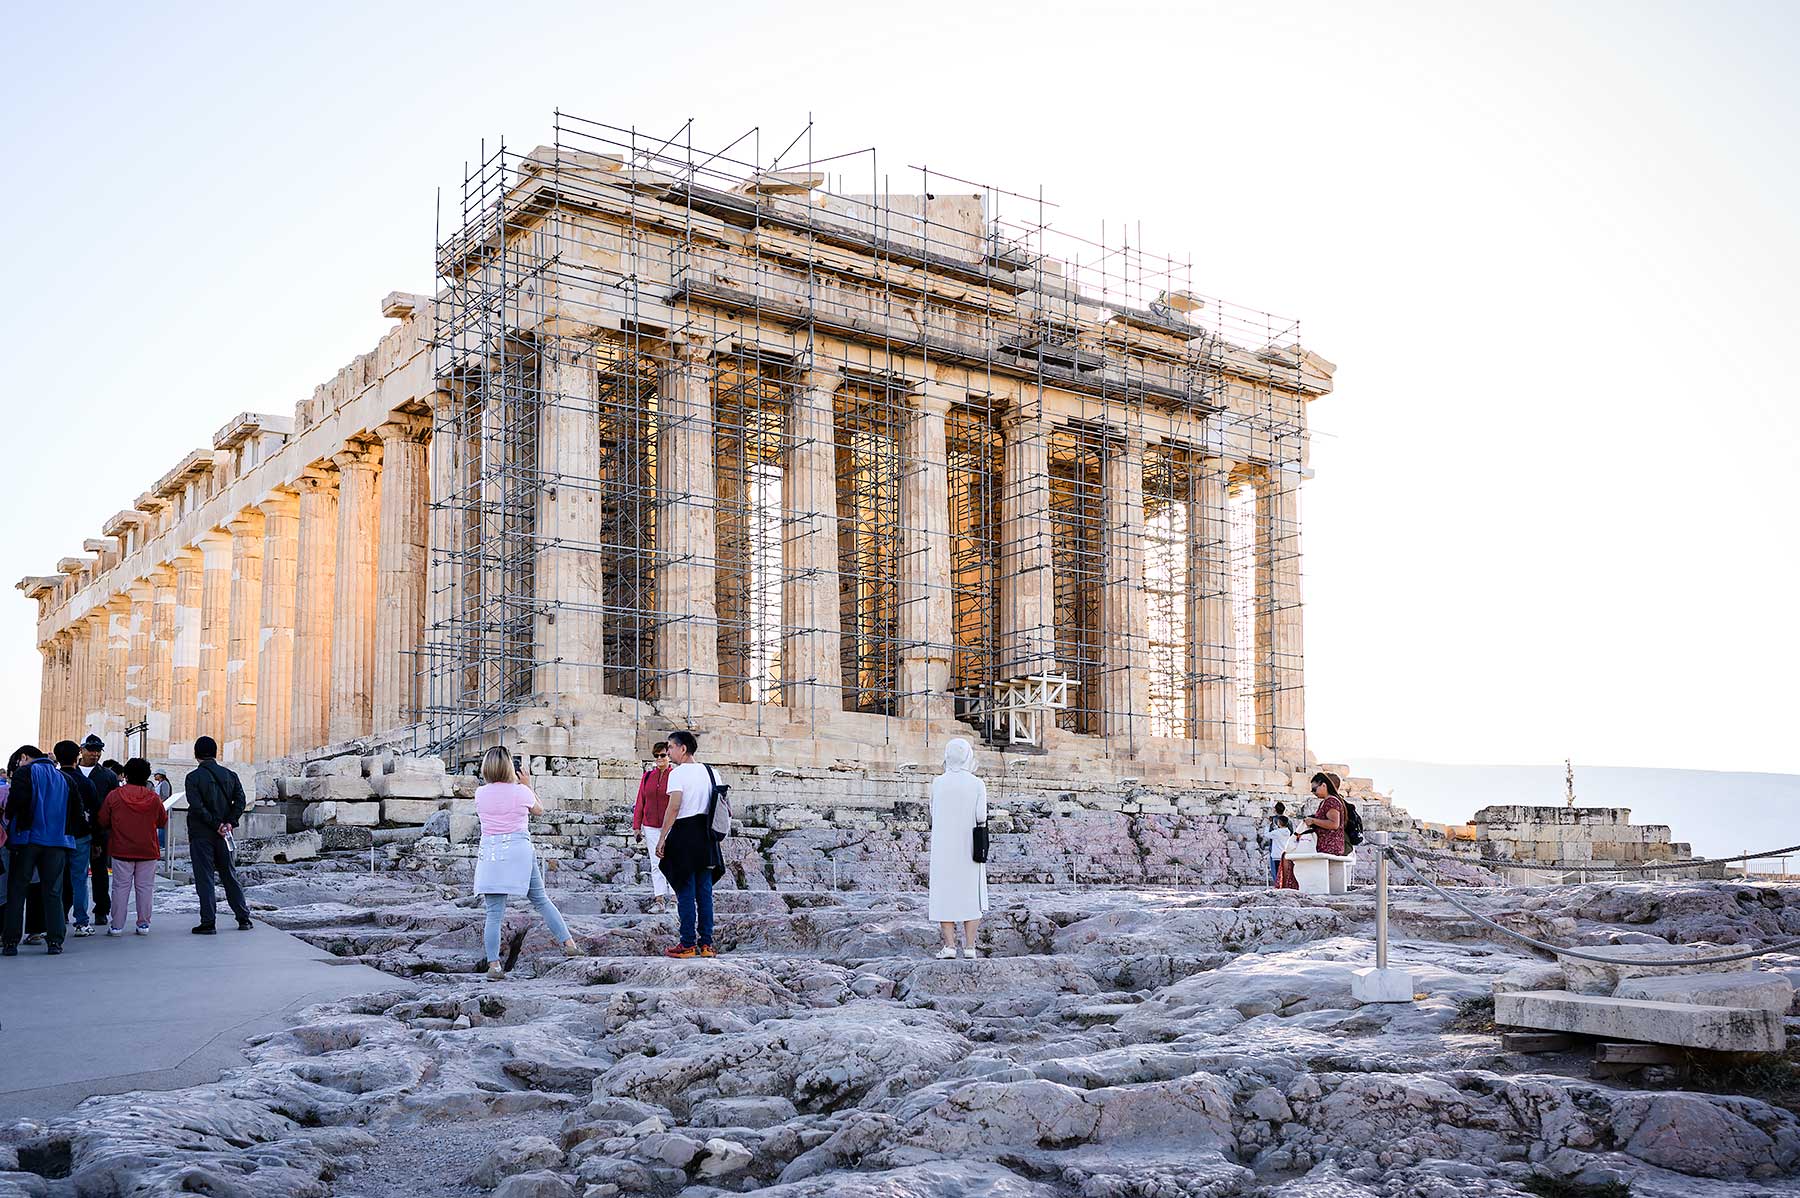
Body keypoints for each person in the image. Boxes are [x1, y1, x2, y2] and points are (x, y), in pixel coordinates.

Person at [473, 747, 584, 980]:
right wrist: (528, 785)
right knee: (541, 900)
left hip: (492, 854)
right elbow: (539, 810)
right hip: (518, 852)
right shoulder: (521, 791)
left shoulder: (480, 793)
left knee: (493, 914)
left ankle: (494, 966)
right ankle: (569, 944)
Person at [655, 730, 724, 959]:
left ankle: (687, 943)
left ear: (682, 748)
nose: (668, 752)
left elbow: (674, 807)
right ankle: (706, 944)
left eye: (670, 747)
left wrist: (662, 837)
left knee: (685, 890)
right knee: (704, 891)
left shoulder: (677, 774)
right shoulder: (712, 772)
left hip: (685, 834)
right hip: (707, 836)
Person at [3, 745, 76, 955]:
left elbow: (16, 802)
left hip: (28, 839)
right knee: (53, 891)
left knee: (17, 890)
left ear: (24, 757)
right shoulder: (65, 778)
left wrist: (10, 822)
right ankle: (55, 941)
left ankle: (10, 942)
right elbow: (76, 809)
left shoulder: (24, 773)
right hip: (58, 841)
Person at [182, 736, 252, 934]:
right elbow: (240, 801)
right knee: (229, 875)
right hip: (224, 834)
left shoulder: (192, 778)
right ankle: (243, 918)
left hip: (202, 833)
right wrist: (229, 823)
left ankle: (208, 922)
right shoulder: (230, 775)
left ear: (196, 754)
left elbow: (197, 806)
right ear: (215, 753)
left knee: (205, 878)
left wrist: (217, 824)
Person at [927, 738, 988, 958]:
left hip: (943, 847)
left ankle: (950, 946)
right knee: (971, 894)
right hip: (969, 846)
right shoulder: (977, 784)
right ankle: (970, 947)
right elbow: (981, 816)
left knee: (945, 894)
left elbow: (933, 812)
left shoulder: (937, 783)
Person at [98, 758, 167, 935]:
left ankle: (117, 926)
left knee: (120, 888)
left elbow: (103, 820)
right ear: (146, 776)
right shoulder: (154, 798)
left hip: (121, 848)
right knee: (145, 888)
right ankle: (143, 924)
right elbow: (162, 821)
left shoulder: (114, 795)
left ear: (126, 775)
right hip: (147, 849)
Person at [54, 741, 99, 936]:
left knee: (54, 880)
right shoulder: (86, 783)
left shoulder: (53, 779)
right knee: (79, 880)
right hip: (81, 835)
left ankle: (54, 920)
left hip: (56, 836)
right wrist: (97, 840)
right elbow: (95, 812)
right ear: (77, 757)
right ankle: (81, 922)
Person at [77, 735, 119, 930]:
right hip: (74, 830)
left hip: (100, 830)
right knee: (71, 873)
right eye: (91, 750)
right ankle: (66, 908)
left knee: (100, 872)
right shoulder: (70, 773)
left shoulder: (108, 776)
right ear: (82, 750)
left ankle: (101, 910)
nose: (94, 754)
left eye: (98, 750)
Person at [631, 741, 673, 912]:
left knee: (673, 861)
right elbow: (640, 801)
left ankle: (675, 898)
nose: (659, 758)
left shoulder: (675, 776)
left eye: (662, 755)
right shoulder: (647, 776)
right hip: (650, 825)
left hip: (671, 825)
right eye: (656, 756)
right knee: (656, 863)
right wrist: (636, 826)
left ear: (669, 755)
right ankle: (659, 899)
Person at [1302, 771, 1348, 857]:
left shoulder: (1331, 801)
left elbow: (1334, 824)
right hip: (1326, 848)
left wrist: (1313, 821)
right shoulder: (1325, 801)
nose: (1313, 792)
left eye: (1314, 789)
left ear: (1323, 785)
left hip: (1330, 849)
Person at [1266, 800, 1295, 887]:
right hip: (1286, 849)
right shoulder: (1288, 821)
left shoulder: (1274, 820)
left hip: (1275, 849)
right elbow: (1291, 833)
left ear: (1275, 810)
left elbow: (1270, 833)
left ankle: (1277, 885)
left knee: (1275, 870)